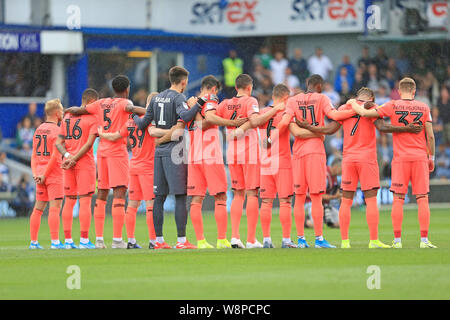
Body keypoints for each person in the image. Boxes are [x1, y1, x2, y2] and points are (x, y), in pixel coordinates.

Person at [300, 87, 422, 248]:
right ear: (371, 97)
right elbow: (383, 128)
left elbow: (329, 130)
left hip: (348, 160)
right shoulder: (371, 107)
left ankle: (345, 242)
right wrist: (407, 128)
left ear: (358, 96)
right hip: (367, 159)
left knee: (346, 201)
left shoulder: (345, 108)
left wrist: (309, 127)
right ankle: (373, 240)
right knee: (371, 201)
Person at [351, 77, 437, 248]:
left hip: (400, 159)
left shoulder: (393, 105)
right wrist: (431, 157)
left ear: (399, 91)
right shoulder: (424, 107)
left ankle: (397, 241)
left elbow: (367, 114)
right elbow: (431, 136)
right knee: (422, 198)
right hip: (420, 157)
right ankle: (424, 240)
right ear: (414, 91)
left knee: (398, 198)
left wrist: (354, 103)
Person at [65, 75, 146, 249]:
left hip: (101, 152)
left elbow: (79, 110)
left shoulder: (100, 103)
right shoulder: (125, 103)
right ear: (127, 89)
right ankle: (117, 240)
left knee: (101, 194)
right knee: (119, 193)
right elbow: (136, 109)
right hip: (117, 152)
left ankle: (100, 240)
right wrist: (149, 110)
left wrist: (64, 110)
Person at [133, 66, 204, 249]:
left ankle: (158, 240)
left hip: (159, 152)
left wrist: (133, 116)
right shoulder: (178, 97)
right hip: (175, 150)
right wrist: (199, 103)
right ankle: (181, 241)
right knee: (180, 195)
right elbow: (186, 116)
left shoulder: (156, 98)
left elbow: (142, 125)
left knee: (159, 197)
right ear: (183, 81)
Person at [211, 74, 285, 248]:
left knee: (238, 194)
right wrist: (275, 109)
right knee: (252, 193)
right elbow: (256, 120)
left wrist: (229, 124)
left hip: (232, 152)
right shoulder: (250, 101)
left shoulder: (225, 103)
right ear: (249, 87)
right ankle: (251, 239)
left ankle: (235, 237)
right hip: (249, 151)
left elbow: (210, 117)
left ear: (236, 87)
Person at [285, 74, 356, 248]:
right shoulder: (322, 98)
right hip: (315, 151)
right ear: (319, 86)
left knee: (300, 198)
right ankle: (319, 239)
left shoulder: (293, 101)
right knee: (316, 197)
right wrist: (354, 110)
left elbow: (294, 130)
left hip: (298, 152)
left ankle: (301, 239)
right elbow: (333, 115)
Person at [98, 92, 168, 249]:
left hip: (133, 165)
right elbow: (155, 138)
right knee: (151, 205)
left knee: (132, 205)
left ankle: (130, 240)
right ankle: (153, 240)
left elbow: (114, 136)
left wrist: (101, 133)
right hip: (148, 167)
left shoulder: (130, 122)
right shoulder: (152, 122)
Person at [55, 89, 100, 249]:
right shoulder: (93, 118)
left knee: (69, 202)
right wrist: (73, 158)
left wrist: (67, 156)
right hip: (84, 165)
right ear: (91, 101)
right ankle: (84, 240)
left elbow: (58, 143)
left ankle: (67, 241)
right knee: (85, 202)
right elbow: (88, 145)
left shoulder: (67, 116)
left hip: (67, 163)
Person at [257, 84, 297, 248]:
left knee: (266, 202)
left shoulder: (262, 112)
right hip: (282, 160)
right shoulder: (286, 113)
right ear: (286, 97)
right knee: (285, 201)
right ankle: (286, 240)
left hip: (265, 160)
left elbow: (260, 138)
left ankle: (266, 239)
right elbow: (296, 132)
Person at [29, 99, 64, 249]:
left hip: (40, 171)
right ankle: (55, 242)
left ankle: (33, 242)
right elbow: (56, 156)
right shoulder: (57, 131)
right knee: (55, 208)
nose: (62, 113)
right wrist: (46, 174)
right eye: (62, 111)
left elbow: (34, 155)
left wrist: (36, 173)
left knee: (38, 209)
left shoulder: (38, 129)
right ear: (57, 113)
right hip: (54, 172)